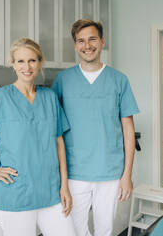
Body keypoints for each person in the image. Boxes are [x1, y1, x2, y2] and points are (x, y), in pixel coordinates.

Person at [0, 38, 76, 236]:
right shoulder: (0, 98)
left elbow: (58, 142)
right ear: (13, 64)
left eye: (32, 61)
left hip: (50, 191)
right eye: (20, 61)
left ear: (40, 62)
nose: (26, 67)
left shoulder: (50, 97)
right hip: (16, 192)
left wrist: (64, 186)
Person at [52, 19, 139, 236]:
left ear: (102, 42)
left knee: (105, 229)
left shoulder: (119, 80)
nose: (87, 45)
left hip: (110, 171)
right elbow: (52, 128)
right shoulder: (63, 80)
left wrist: (127, 174)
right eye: (80, 40)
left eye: (92, 39)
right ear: (75, 45)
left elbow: (128, 129)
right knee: (74, 228)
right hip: (74, 171)